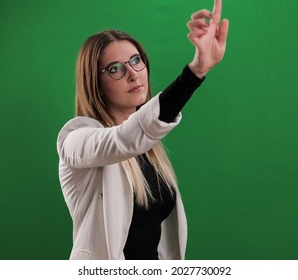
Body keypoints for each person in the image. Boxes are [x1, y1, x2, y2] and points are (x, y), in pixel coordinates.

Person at [57, 0, 229, 260]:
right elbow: (123, 139)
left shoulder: (150, 148)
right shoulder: (76, 141)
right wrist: (195, 72)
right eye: (115, 69)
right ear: (95, 82)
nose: (133, 73)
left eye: (136, 60)